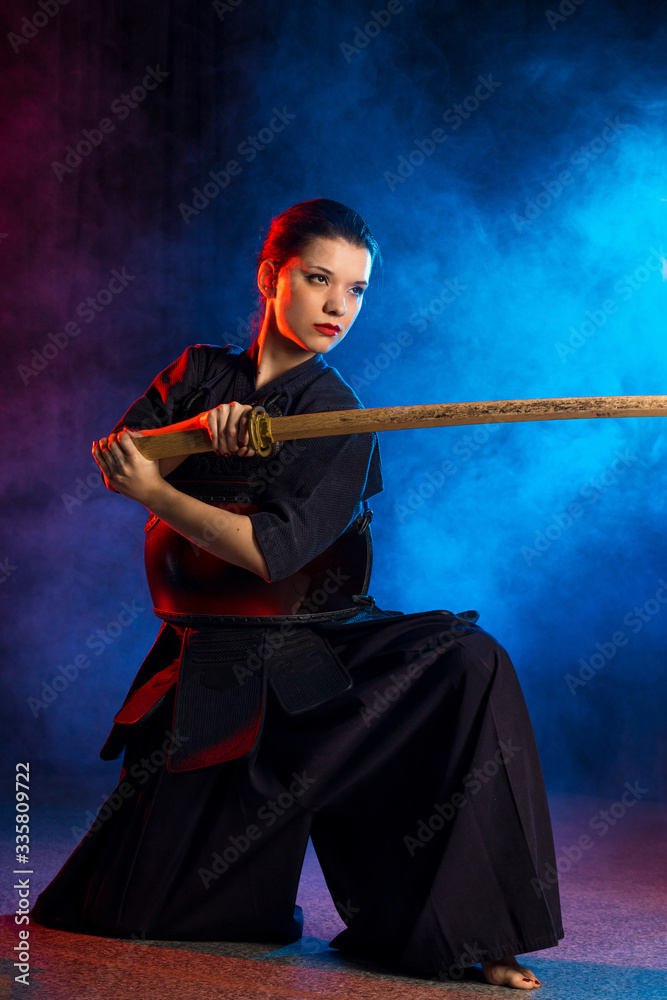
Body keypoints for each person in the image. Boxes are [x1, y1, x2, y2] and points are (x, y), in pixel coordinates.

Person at [31, 198, 563, 989]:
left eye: (355, 289)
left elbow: (265, 554)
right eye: (318, 279)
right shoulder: (197, 373)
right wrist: (200, 432)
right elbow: (121, 456)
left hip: (321, 664)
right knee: (133, 912)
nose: (336, 306)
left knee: (468, 662)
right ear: (269, 277)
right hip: (210, 665)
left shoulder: (338, 415)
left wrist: (163, 492)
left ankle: (472, 937)